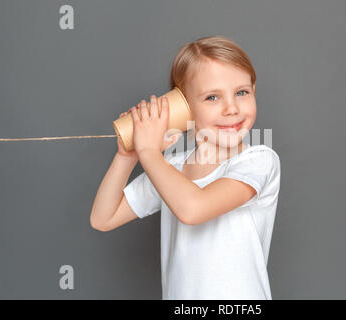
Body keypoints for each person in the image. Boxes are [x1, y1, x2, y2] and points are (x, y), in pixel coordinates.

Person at [90, 35, 281, 300]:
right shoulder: (171, 168)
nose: (232, 108)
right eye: (212, 97)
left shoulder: (259, 160)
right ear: (185, 108)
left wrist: (149, 152)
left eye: (241, 92)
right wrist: (128, 156)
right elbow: (103, 218)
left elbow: (193, 209)